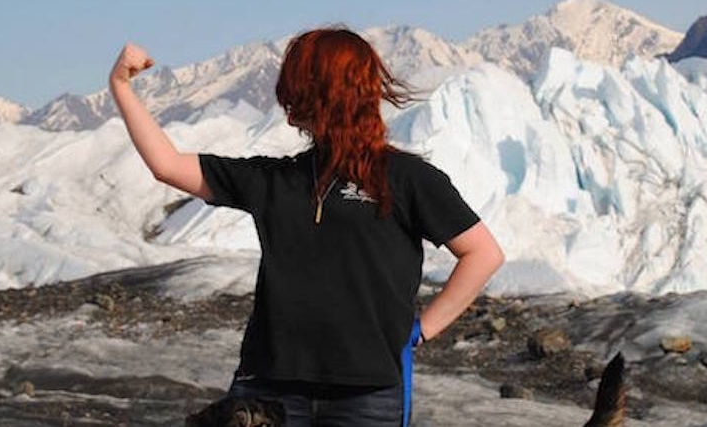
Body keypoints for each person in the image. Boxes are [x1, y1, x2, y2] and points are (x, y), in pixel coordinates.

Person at [109, 26, 504, 427]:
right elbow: (168, 165)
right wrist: (121, 86)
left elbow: (483, 254)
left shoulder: (405, 179)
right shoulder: (277, 179)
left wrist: (422, 329)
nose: (289, 103)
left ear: (329, 93)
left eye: (299, 86)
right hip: (267, 387)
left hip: (367, 394)